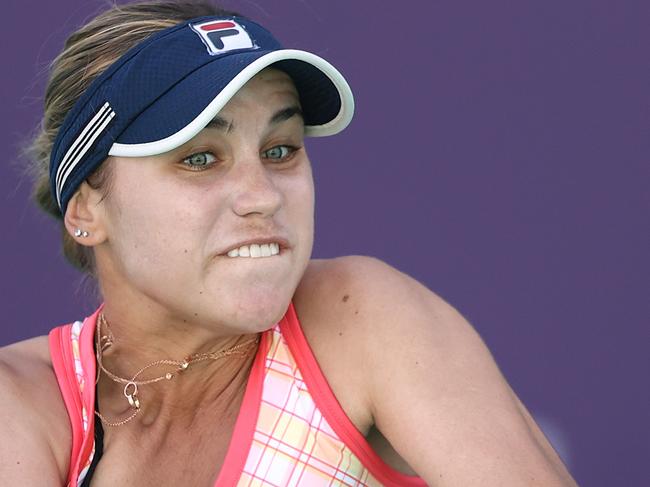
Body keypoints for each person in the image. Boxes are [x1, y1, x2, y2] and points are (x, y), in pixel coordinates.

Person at [0, 1, 578, 486]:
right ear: (86, 210)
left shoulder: (364, 318)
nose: (263, 196)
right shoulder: (22, 403)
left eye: (281, 149)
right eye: (200, 158)